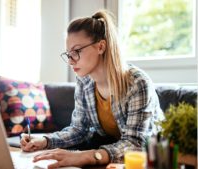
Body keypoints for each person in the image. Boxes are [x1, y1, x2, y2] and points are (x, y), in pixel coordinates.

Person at [20, 9, 164, 168]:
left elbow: (135, 144)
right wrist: (44, 141)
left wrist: (87, 156)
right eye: (69, 54)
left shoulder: (137, 83)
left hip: (156, 158)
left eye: (76, 51)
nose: (71, 61)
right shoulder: (84, 81)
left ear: (101, 47)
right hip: (113, 158)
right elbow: (78, 130)